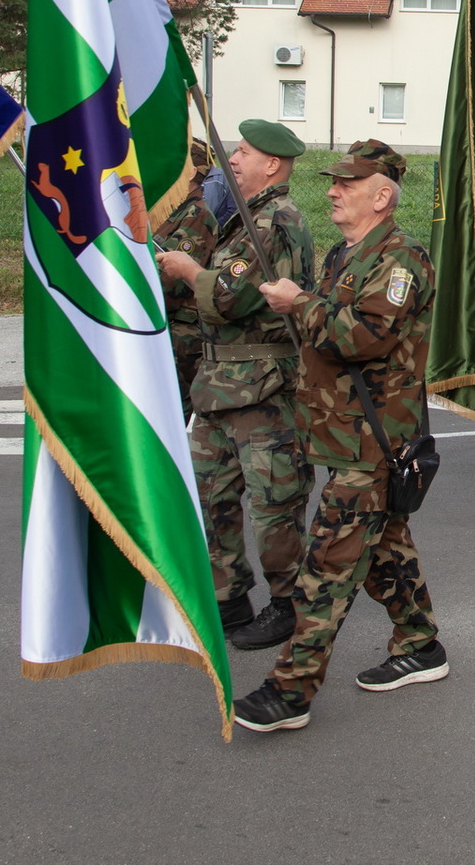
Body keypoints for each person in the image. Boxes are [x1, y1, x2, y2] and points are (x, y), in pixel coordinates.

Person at [233, 139, 444, 734]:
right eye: (334, 182)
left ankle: (290, 691)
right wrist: (299, 304)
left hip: (372, 446)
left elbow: (363, 338)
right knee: (383, 548)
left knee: (326, 564)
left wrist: (298, 302)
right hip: (341, 434)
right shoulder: (346, 254)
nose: (331, 190)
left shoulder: (401, 260)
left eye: (346, 185)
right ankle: (422, 645)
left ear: (381, 197)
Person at [155, 119, 315, 651]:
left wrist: (184, 269)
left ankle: (289, 603)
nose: (234, 159)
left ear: (272, 164)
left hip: (262, 390)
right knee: (209, 494)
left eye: (243, 152)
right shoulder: (245, 220)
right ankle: (227, 598)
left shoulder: (274, 221)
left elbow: (230, 298)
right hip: (221, 386)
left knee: (274, 507)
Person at [154, 139, 218, 410]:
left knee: (165, 416)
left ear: (191, 172)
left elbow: (170, 283)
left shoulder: (197, 216)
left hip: (179, 340)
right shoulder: (169, 212)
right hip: (162, 332)